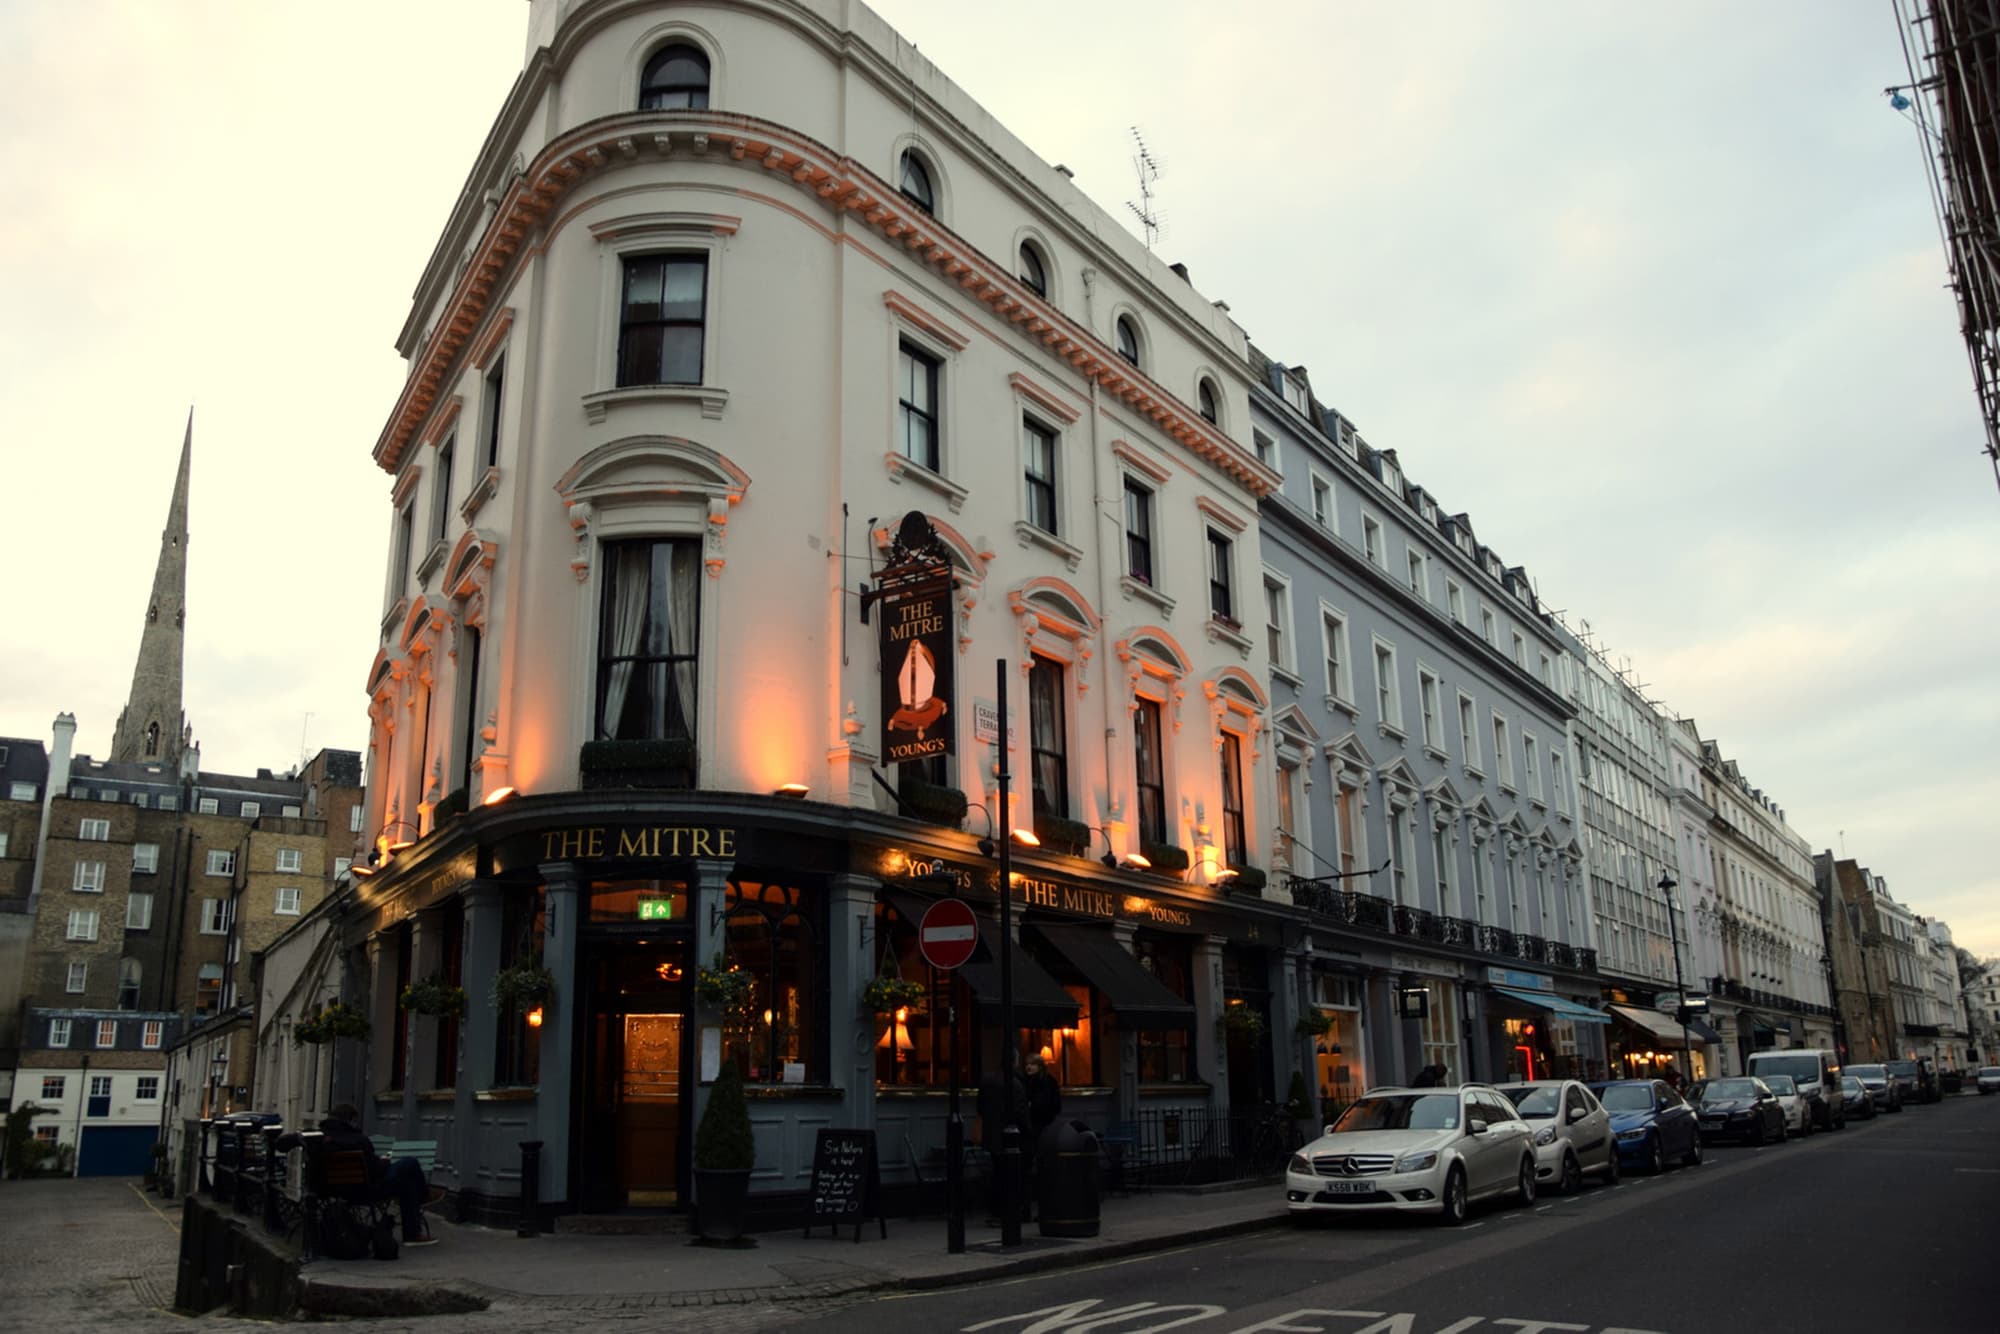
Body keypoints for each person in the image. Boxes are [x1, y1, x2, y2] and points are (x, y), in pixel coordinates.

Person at [281, 1103, 437, 1247]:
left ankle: (419, 1212)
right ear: (350, 1120)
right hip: (363, 1190)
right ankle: (416, 1220)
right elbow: (374, 1171)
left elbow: (281, 1143)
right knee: (409, 1165)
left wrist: (299, 1137)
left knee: (407, 1180)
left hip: (327, 1190)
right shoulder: (359, 1140)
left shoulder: (316, 1137)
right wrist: (385, 1162)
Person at [975, 1063, 1029, 1225]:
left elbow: (980, 1107)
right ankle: (1009, 1212)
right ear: (1015, 1061)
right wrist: (1027, 1131)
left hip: (992, 1135)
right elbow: (1020, 1112)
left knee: (997, 1174)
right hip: (1010, 1137)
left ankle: (997, 1211)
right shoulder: (1014, 1083)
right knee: (1011, 1175)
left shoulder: (988, 1081)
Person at [1021, 1054, 1062, 1220]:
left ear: (1040, 1066)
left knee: (1041, 1168)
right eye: (1026, 1064)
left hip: (1041, 1129)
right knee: (1029, 1169)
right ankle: (1028, 1209)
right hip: (1032, 1130)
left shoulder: (1047, 1082)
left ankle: (1042, 1208)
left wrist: (1034, 1106)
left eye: (1032, 1064)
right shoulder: (1024, 1082)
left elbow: (1054, 1105)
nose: (1028, 1067)